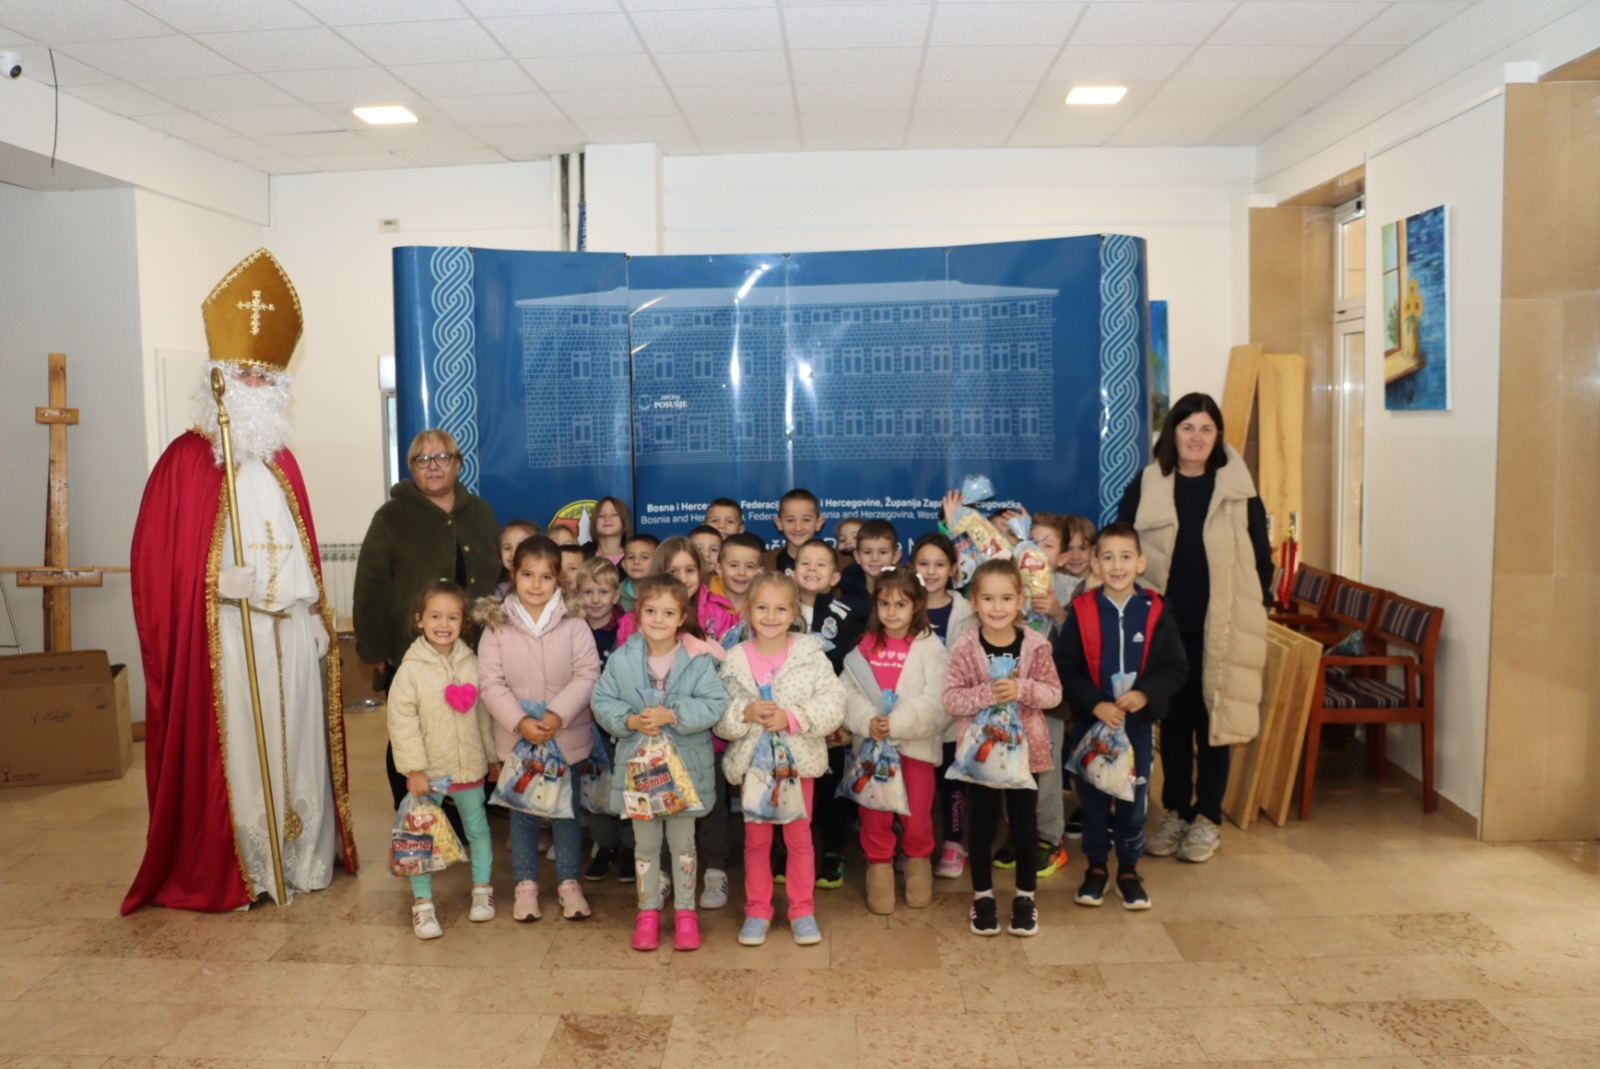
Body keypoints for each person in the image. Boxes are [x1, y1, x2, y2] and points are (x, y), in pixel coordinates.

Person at [125, 248, 356, 914]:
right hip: (229, 636)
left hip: (292, 635)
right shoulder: (183, 462)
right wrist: (213, 582)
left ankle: (299, 856)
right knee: (245, 756)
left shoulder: (286, 464)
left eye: (266, 376)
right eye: (243, 373)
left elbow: (304, 551)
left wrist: (314, 614)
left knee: (296, 748)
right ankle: (249, 865)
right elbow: (154, 564)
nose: (255, 384)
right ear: (217, 379)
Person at [1117, 392, 1273, 864]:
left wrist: (1254, 609)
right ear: (1173, 433)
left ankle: (1207, 818)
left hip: (1222, 627)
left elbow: (1261, 559)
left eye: (1207, 428)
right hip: (1166, 630)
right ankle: (1176, 812)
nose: (1197, 437)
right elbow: (1122, 546)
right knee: (1174, 721)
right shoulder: (1148, 483)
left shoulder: (1238, 489)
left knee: (1215, 721)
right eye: (1188, 427)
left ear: (1217, 435)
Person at [353, 426, 501, 810]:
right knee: (410, 734)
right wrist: (375, 648)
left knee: (467, 731)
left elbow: (499, 576)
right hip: (409, 650)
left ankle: (465, 811)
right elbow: (369, 585)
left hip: (470, 651)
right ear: (411, 468)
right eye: (422, 459)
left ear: (458, 464)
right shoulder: (391, 517)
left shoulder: (481, 513)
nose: (433, 466)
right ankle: (412, 815)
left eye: (442, 457)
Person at [1055, 524, 1189, 911]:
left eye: (1126, 557)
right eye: (1108, 557)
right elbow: (1065, 670)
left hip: (1137, 727)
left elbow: (1176, 668)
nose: (1117, 566)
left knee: (1133, 802)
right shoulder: (1082, 611)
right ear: (1095, 564)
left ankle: (1129, 870)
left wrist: (1145, 693)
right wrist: (1095, 704)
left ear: (1140, 563)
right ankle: (1096, 867)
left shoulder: (1157, 612)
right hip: (1092, 725)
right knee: (1094, 799)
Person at [592, 575, 727, 951]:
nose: (658, 619)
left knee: (683, 845)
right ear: (639, 614)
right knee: (646, 846)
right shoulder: (622, 659)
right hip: (640, 772)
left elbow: (715, 704)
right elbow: (602, 702)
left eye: (668, 613)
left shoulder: (698, 661)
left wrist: (673, 714)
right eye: (651, 611)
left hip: (686, 771)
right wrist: (630, 721)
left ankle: (685, 914)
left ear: (682, 617)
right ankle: (647, 912)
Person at [475, 536, 601, 922]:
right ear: (513, 573)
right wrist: (520, 722)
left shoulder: (574, 623)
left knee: (566, 815)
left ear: (558, 579)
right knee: (523, 815)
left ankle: (568, 883)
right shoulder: (497, 625)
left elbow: (587, 674)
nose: (535, 584)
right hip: (519, 740)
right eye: (527, 574)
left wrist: (558, 714)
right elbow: (490, 683)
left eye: (546, 577)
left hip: (564, 736)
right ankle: (526, 885)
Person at [717, 572, 846, 947]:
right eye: (762, 607)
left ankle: (802, 910)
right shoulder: (734, 659)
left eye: (780, 609)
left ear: (794, 613)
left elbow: (833, 703)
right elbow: (719, 713)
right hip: (754, 769)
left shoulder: (810, 654)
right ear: (748, 611)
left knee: (799, 839)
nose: (770, 616)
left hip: (798, 764)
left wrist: (792, 718)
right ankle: (758, 910)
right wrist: (744, 713)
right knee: (756, 842)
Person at [942, 559, 1063, 937]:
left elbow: (1054, 694)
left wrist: (1021, 689)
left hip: (1026, 755)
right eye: (988, 598)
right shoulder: (965, 647)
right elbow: (951, 699)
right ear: (974, 602)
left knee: (1025, 827)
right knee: (981, 828)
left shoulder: (1036, 645)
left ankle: (1025, 898)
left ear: (1020, 600)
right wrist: (987, 694)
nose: (998, 607)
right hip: (980, 758)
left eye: (1007, 598)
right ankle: (983, 898)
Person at [386, 581, 499, 939]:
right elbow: (402, 724)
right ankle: (422, 905)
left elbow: (483, 715)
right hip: (429, 775)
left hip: (469, 769)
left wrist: (491, 757)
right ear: (419, 620)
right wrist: (414, 770)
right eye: (435, 616)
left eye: (452, 617)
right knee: (420, 839)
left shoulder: (473, 663)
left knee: (477, 829)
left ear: (463, 623)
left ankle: (482, 889)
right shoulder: (410, 670)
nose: (443, 624)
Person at [840, 568, 950, 914]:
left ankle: (918, 864)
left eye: (900, 604)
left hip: (914, 749)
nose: (891, 612)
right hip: (872, 751)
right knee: (875, 815)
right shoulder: (864, 647)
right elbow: (847, 693)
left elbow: (939, 700)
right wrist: (866, 721)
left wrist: (898, 723)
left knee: (917, 816)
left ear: (916, 605)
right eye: (884, 604)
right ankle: (879, 869)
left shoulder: (931, 647)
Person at [911, 532, 975, 880]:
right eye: (923, 563)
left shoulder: (967, 612)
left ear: (953, 569)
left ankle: (953, 844)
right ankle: (913, 846)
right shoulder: (903, 605)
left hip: (953, 716)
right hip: (915, 716)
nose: (931, 571)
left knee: (952, 782)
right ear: (912, 567)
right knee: (915, 784)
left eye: (939, 564)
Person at [616, 536, 738, 645]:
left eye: (690, 570)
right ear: (659, 574)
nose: (683, 579)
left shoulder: (718, 613)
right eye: (673, 572)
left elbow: (727, 656)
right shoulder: (633, 622)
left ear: (700, 572)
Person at [762, 488, 825, 573]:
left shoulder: (839, 563)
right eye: (790, 520)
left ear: (818, 523)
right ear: (779, 523)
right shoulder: (764, 563)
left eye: (806, 520)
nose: (798, 528)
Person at [716, 532, 765, 617]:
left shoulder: (766, 606)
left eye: (749, 566)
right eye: (734, 565)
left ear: (760, 572)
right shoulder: (704, 602)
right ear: (719, 569)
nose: (741, 572)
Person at [494, 519, 542, 600]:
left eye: (520, 546)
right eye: (507, 548)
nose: (513, 553)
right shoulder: (500, 590)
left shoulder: (546, 584)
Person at [618, 532, 658, 614]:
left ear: (658, 562)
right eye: (631, 557)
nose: (636, 562)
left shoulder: (667, 595)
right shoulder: (615, 595)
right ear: (624, 565)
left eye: (645, 557)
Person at [583, 496, 630, 564]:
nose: (607, 518)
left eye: (614, 514)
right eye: (601, 515)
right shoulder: (584, 553)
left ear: (624, 523)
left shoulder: (631, 557)